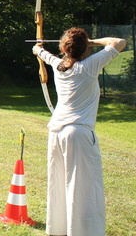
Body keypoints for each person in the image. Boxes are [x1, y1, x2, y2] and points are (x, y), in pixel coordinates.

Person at [32, 28, 126, 236]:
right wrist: (92, 42)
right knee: (84, 187)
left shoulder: (58, 65)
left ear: (64, 48)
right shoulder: (89, 66)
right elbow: (119, 42)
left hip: (56, 133)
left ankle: (59, 229)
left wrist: (38, 49)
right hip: (78, 133)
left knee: (58, 182)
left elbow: (40, 52)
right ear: (84, 49)